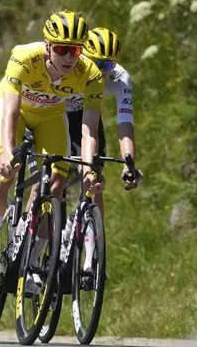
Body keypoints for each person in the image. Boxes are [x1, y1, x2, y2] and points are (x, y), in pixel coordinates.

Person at [0, 10, 104, 280]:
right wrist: (8, 154)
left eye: (76, 51)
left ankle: (30, 262)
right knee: (3, 172)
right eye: (62, 49)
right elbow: (11, 112)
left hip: (50, 116)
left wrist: (89, 169)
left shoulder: (90, 74)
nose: (69, 57)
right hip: (17, 110)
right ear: (48, 46)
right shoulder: (24, 57)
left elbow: (88, 129)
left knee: (55, 184)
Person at [62, 27, 142, 270]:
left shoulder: (120, 79)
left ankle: (90, 259)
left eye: (107, 65)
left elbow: (125, 124)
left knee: (94, 180)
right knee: (54, 177)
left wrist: (129, 163)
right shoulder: (71, 68)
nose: (101, 70)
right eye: (96, 62)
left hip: (88, 120)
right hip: (57, 116)